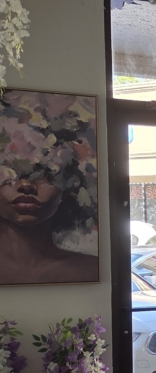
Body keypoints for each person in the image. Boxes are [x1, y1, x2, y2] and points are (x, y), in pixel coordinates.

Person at [0, 91, 100, 286]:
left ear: (69, 183)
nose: (26, 185)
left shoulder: (88, 269)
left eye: (44, 171)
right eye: (11, 171)